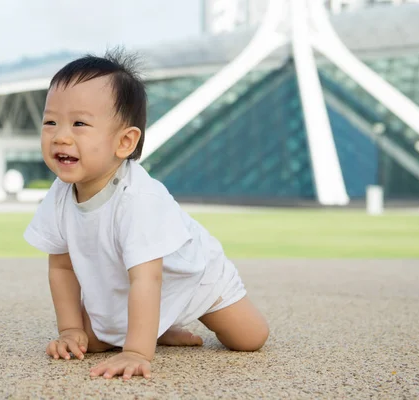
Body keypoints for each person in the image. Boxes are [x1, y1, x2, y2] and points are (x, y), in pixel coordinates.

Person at [23, 48, 269, 380]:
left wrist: (137, 352)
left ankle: (153, 329)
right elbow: (62, 266)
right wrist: (70, 329)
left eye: (79, 123)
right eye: (50, 121)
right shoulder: (59, 195)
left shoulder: (139, 199)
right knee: (90, 344)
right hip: (131, 283)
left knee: (249, 338)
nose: (60, 135)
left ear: (124, 142)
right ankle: (158, 327)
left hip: (192, 277)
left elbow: (148, 278)